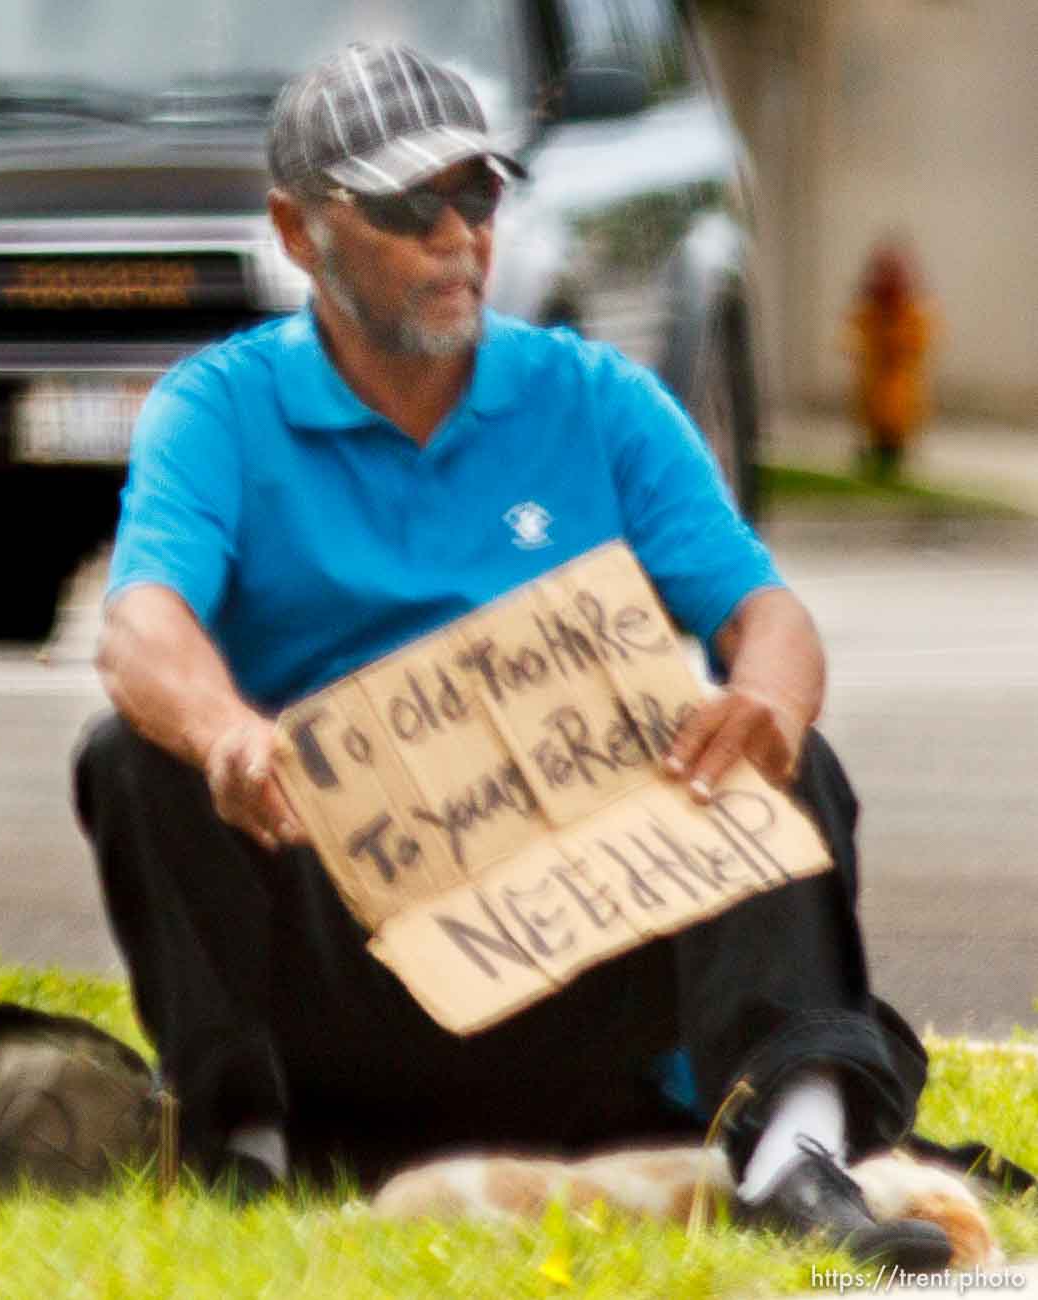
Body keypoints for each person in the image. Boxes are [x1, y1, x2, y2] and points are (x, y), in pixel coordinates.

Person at [74, 43, 949, 1268]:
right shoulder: (216, 407)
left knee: (779, 757)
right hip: (351, 962)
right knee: (133, 755)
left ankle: (790, 1161)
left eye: (475, 196)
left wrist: (761, 694)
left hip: (582, 959)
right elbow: (140, 624)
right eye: (401, 206)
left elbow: (767, 614)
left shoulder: (596, 397)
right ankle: (246, 1144)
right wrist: (228, 733)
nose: (454, 236)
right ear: (295, 229)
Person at [845, 240, 938, 480]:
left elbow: (919, 339)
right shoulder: (872, 313)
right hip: (876, 381)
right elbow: (854, 333)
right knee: (877, 413)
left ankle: (892, 455)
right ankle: (880, 454)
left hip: (897, 384)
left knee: (896, 413)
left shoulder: (909, 313)